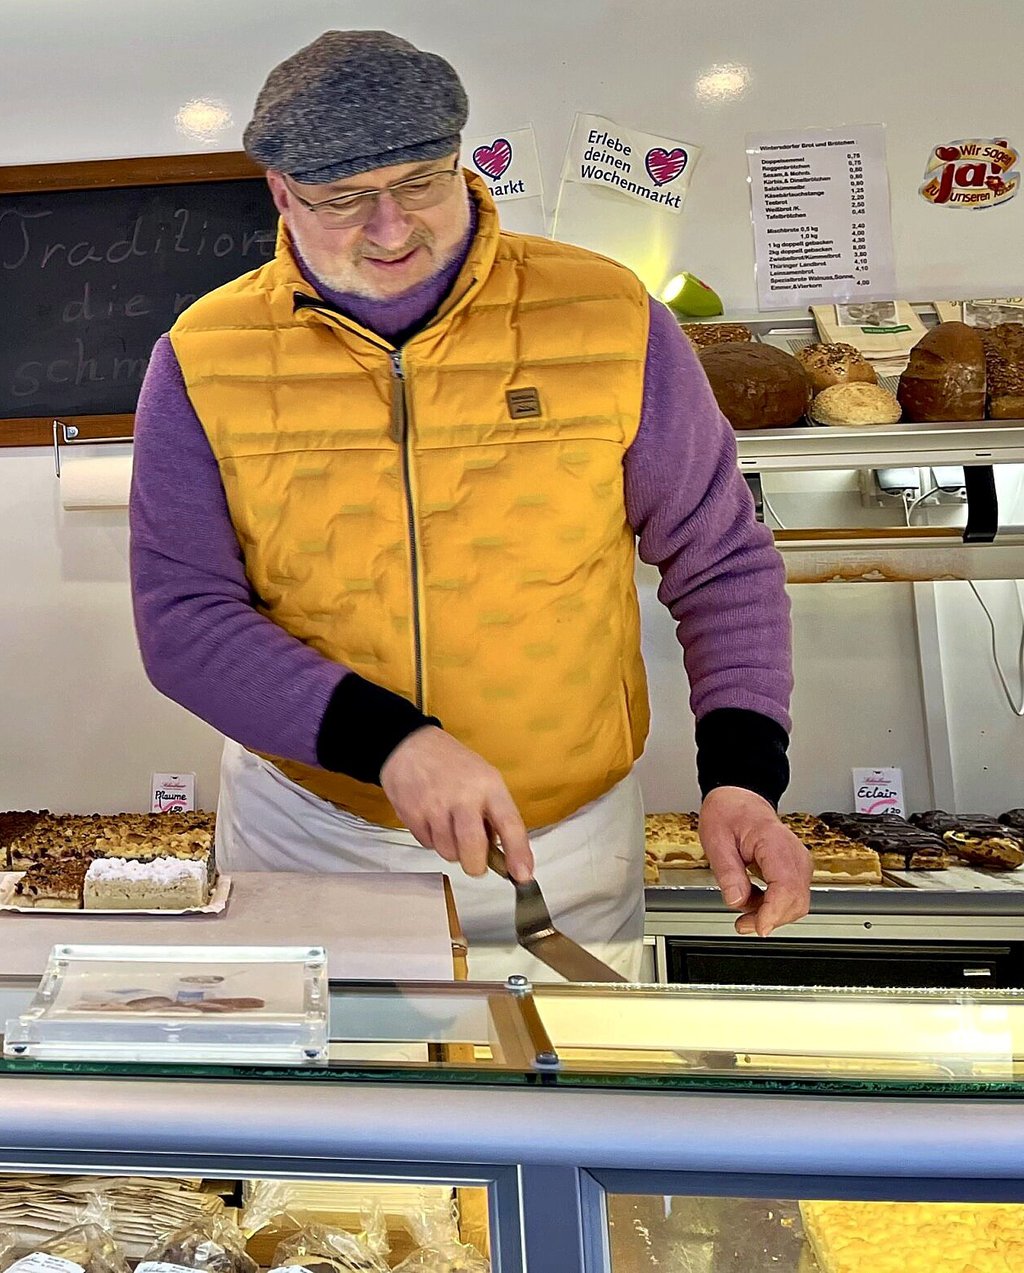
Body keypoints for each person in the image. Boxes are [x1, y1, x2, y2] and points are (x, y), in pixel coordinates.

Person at [129, 29, 811, 980]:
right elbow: (185, 621)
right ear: (281, 194)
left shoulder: (608, 318)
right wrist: (393, 742)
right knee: (332, 1117)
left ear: (462, 159)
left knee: (569, 1107)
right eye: (343, 200)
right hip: (315, 832)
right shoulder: (203, 355)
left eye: (420, 183)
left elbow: (722, 559)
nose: (393, 228)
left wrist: (743, 772)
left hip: (564, 847)